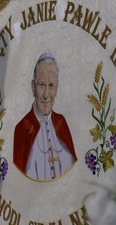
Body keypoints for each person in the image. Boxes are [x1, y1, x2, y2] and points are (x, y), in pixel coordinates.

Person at [13, 53, 77, 181]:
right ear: (33, 88)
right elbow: (17, 183)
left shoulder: (61, 123)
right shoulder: (22, 129)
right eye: (42, 85)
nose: (46, 94)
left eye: (51, 86)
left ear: (57, 88)